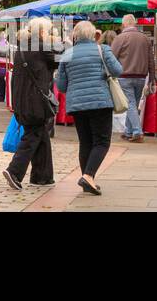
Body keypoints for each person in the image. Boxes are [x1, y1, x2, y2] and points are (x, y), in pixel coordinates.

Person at [55, 20, 122, 196]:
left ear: (75, 36)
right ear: (94, 35)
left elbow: (61, 86)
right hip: (100, 102)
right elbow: (117, 70)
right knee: (101, 141)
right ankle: (89, 176)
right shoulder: (103, 50)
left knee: (85, 142)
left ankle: (87, 180)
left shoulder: (67, 54)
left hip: (77, 104)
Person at [3, 18, 57, 190]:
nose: (48, 35)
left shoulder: (23, 47)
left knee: (41, 137)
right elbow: (61, 59)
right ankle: (14, 171)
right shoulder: (41, 47)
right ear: (41, 32)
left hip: (22, 100)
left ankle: (42, 177)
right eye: (47, 32)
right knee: (33, 136)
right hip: (36, 102)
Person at [111, 14, 156, 143]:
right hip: (141, 77)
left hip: (124, 76)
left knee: (130, 104)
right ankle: (128, 131)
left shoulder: (120, 38)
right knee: (133, 104)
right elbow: (151, 61)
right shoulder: (145, 39)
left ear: (124, 24)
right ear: (134, 23)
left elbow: (112, 58)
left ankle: (137, 132)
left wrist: (110, 74)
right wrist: (152, 79)